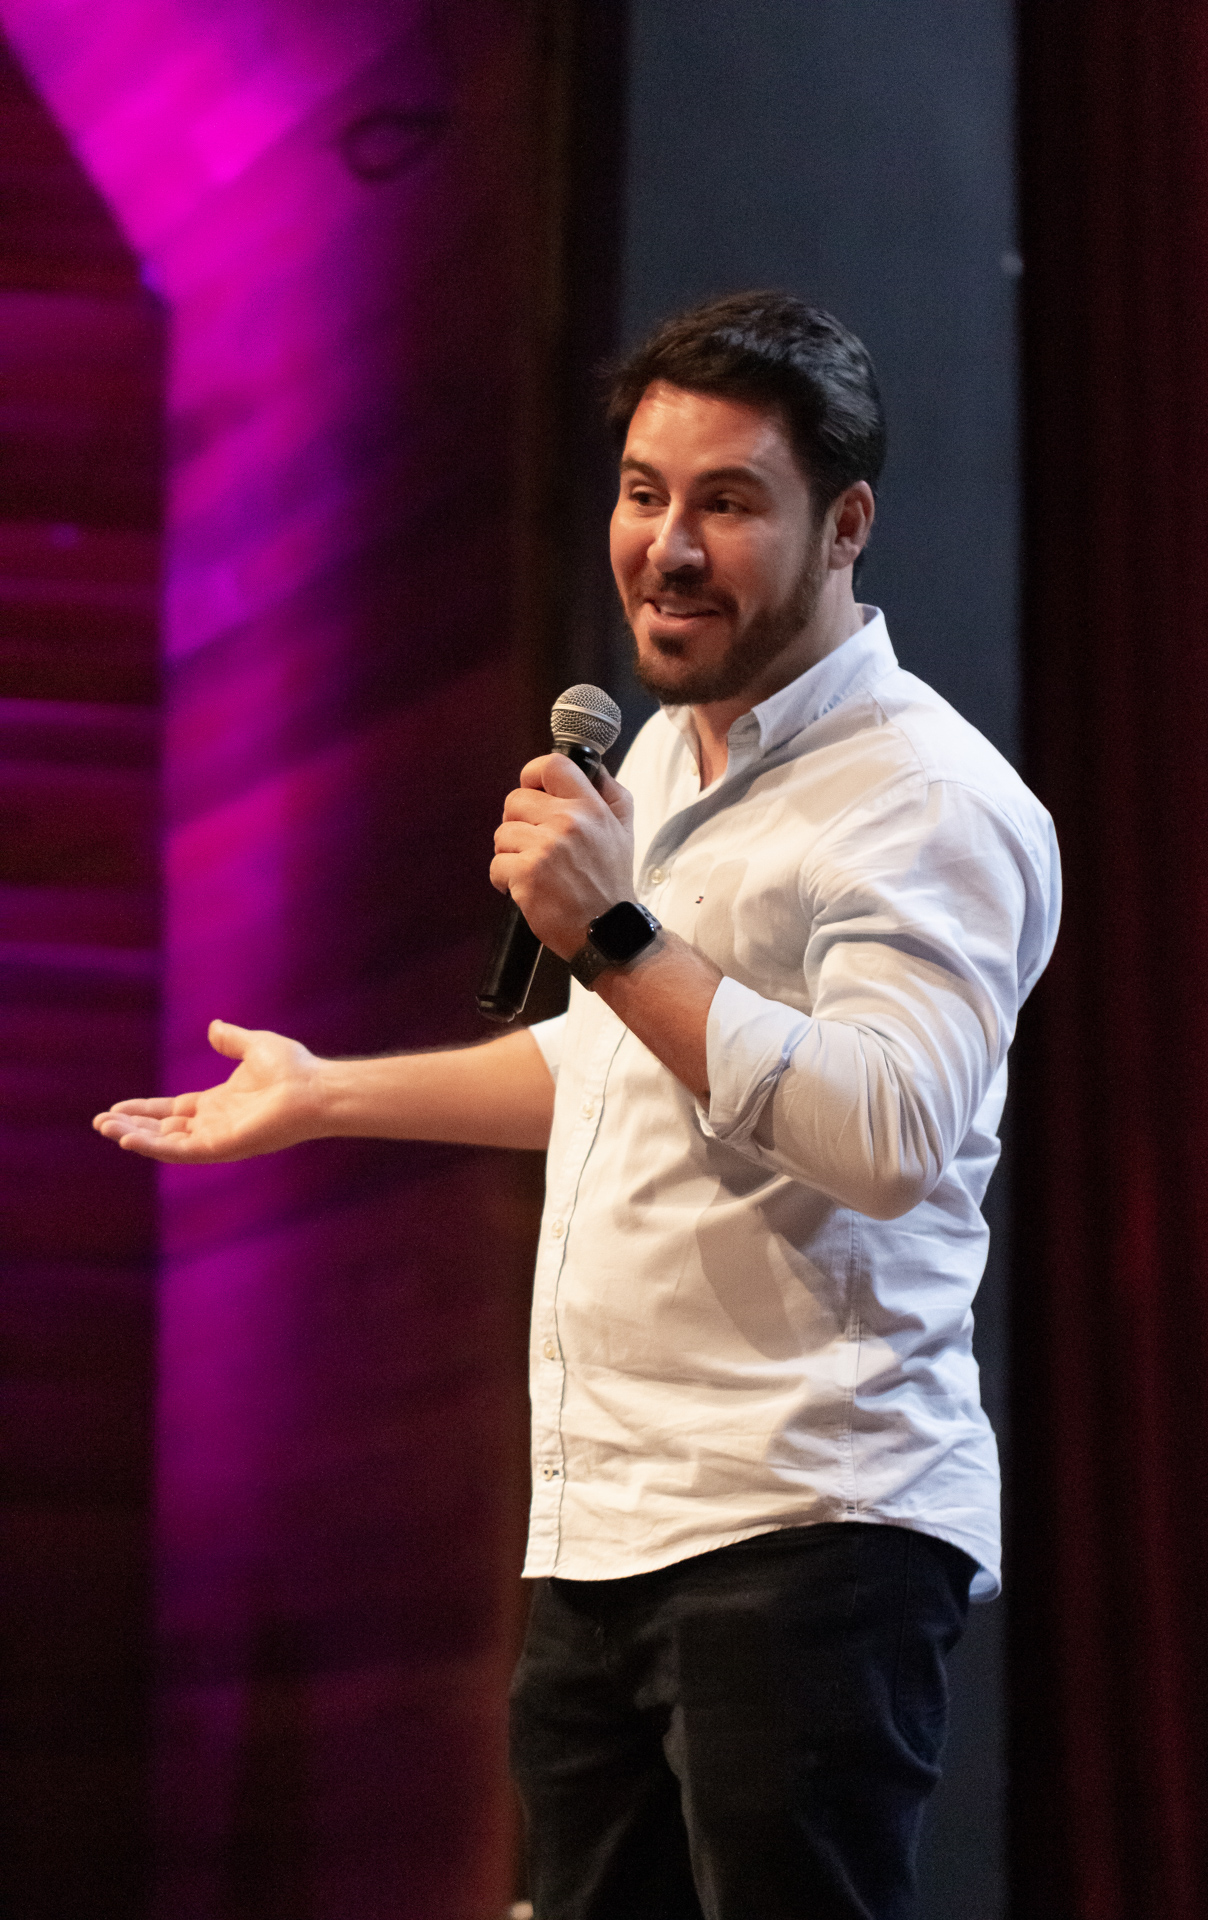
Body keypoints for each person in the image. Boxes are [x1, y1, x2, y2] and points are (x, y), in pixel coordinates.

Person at [94, 292, 1060, 1920]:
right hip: (605, 1530)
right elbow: (619, 1072)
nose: (666, 549)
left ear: (846, 527)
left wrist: (612, 934)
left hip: (806, 1526)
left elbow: (891, 1134)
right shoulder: (663, 759)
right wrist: (326, 1097)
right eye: (642, 493)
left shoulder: (930, 802)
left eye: (727, 503)